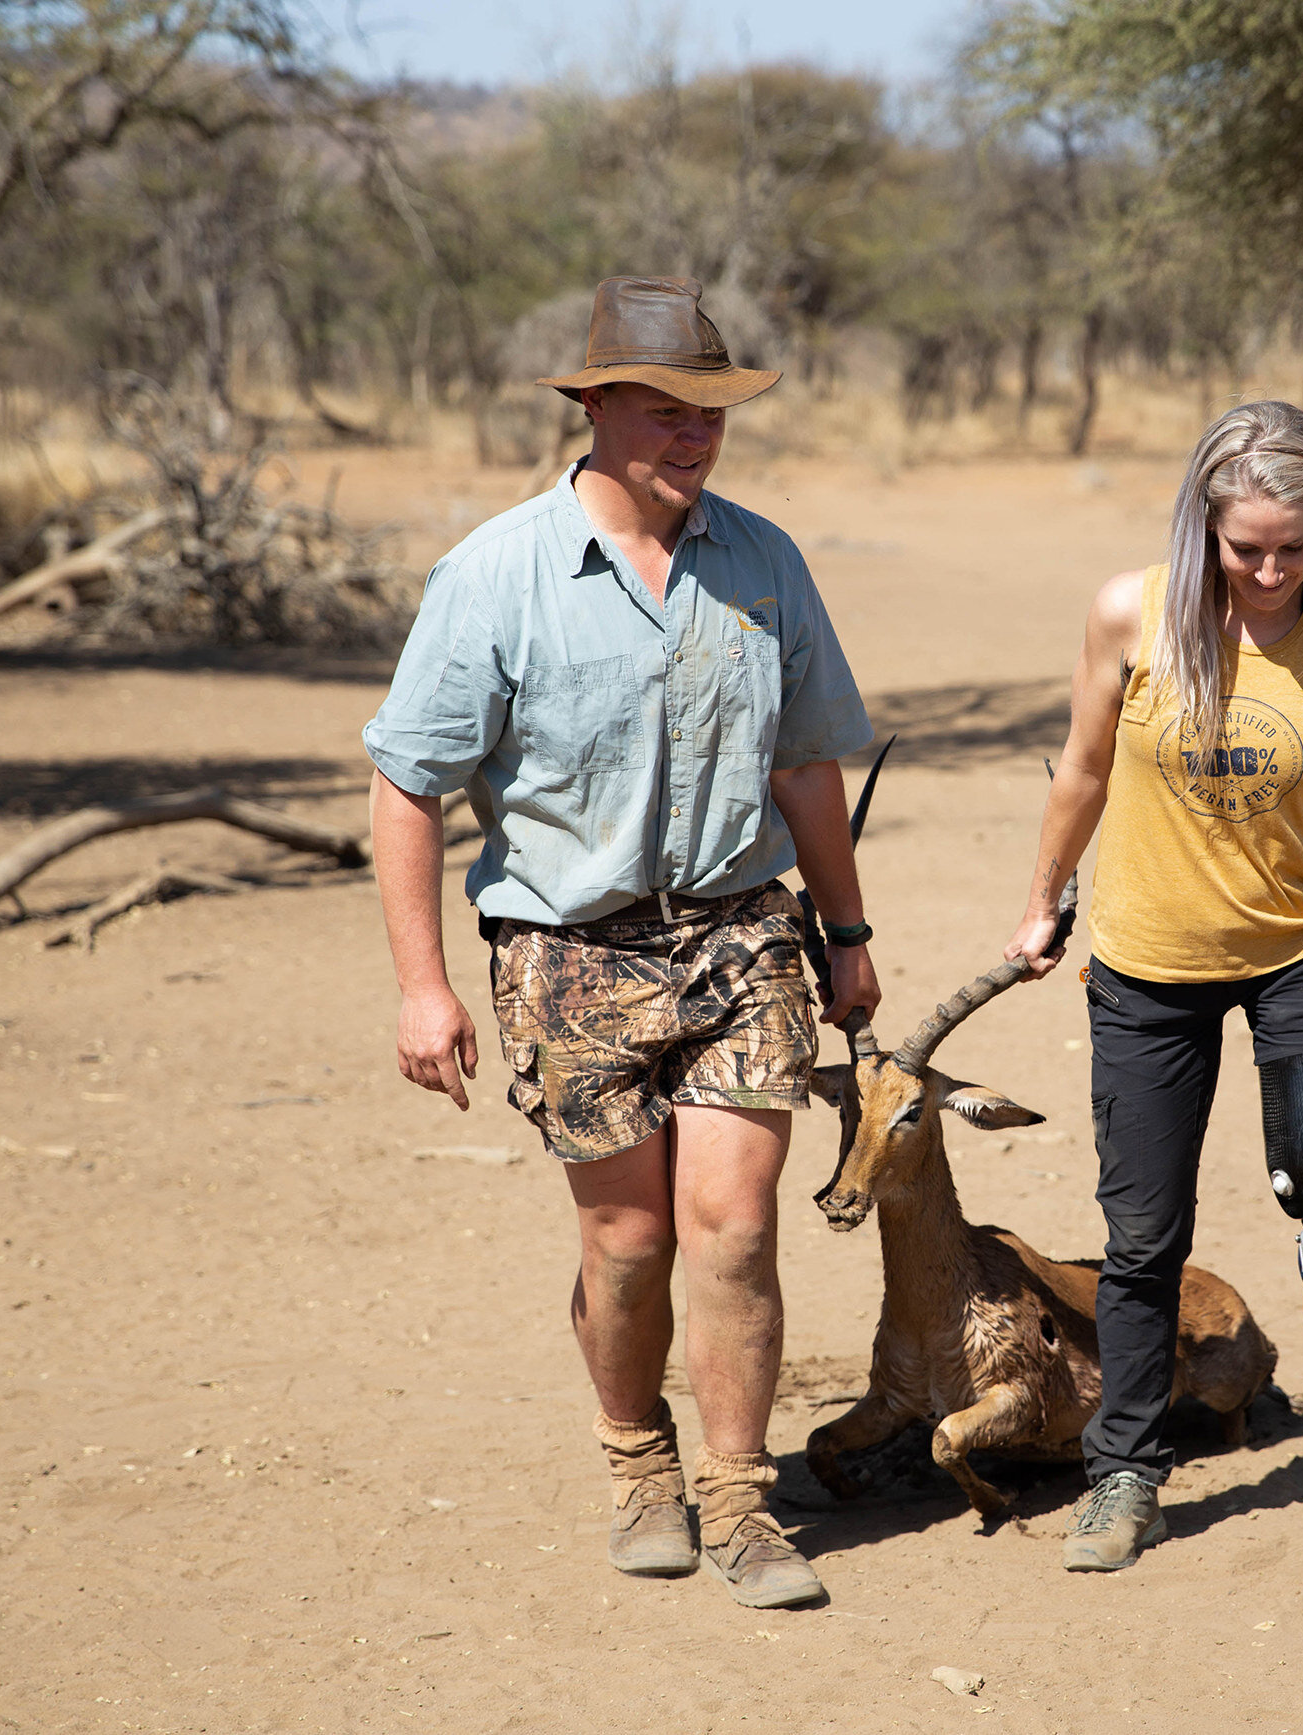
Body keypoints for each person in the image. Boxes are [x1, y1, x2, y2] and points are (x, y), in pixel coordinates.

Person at [363, 276, 880, 1611]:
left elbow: (809, 765)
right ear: (594, 407)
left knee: (736, 1224)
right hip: (566, 953)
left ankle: (738, 1496)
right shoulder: (495, 574)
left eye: (710, 408)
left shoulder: (765, 561)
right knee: (633, 1244)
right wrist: (424, 986)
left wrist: (848, 931)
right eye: (662, 407)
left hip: (744, 939)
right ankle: (636, 1458)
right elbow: (406, 785)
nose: (694, 433)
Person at [1002, 399, 1303, 1584]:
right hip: (1146, 961)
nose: (1269, 571)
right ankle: (1125, 1473)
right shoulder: (1134, 615)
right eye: (1244, 546)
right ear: (1199, 529)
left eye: (1294, 547)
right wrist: (1042, 897)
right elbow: (1086, 769)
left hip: (1294, 954)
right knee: (1142, 1231)